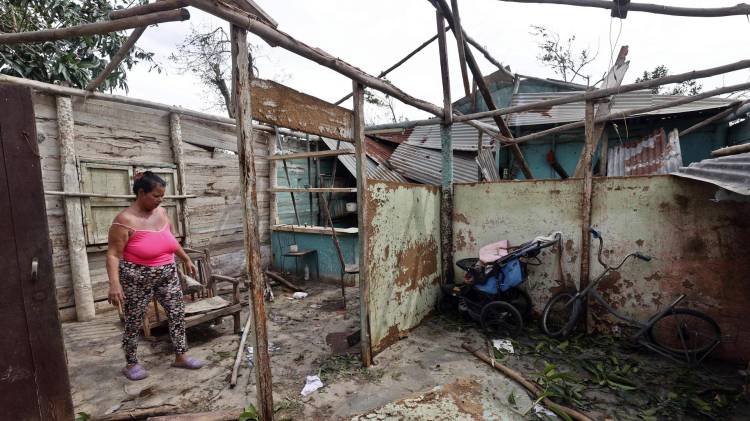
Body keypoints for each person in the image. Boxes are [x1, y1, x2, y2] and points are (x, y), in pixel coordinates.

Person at [106, 171, 204, 381]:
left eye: (162, 196)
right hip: (136, 277)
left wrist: (185, 258)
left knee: (177, 313)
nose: (160, 200)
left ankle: (181, 355)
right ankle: (131, 362)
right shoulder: (124, 220)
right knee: (134, 320)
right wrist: (114, 284)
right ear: (141, 193)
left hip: (167, 272)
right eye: (156, 196)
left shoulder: (161, 212)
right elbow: (113, 255)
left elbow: (169, 238)